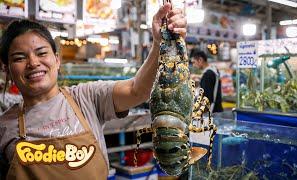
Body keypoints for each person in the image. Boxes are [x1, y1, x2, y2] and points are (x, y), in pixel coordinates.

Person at [0, 2, 187, 179]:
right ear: (7, 69)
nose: (33, 63)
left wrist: (158, 44)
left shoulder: (86, 97)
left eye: (41, 53)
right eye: (19, 58)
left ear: (57, 60)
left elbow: (137, 90)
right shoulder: (5, 127)